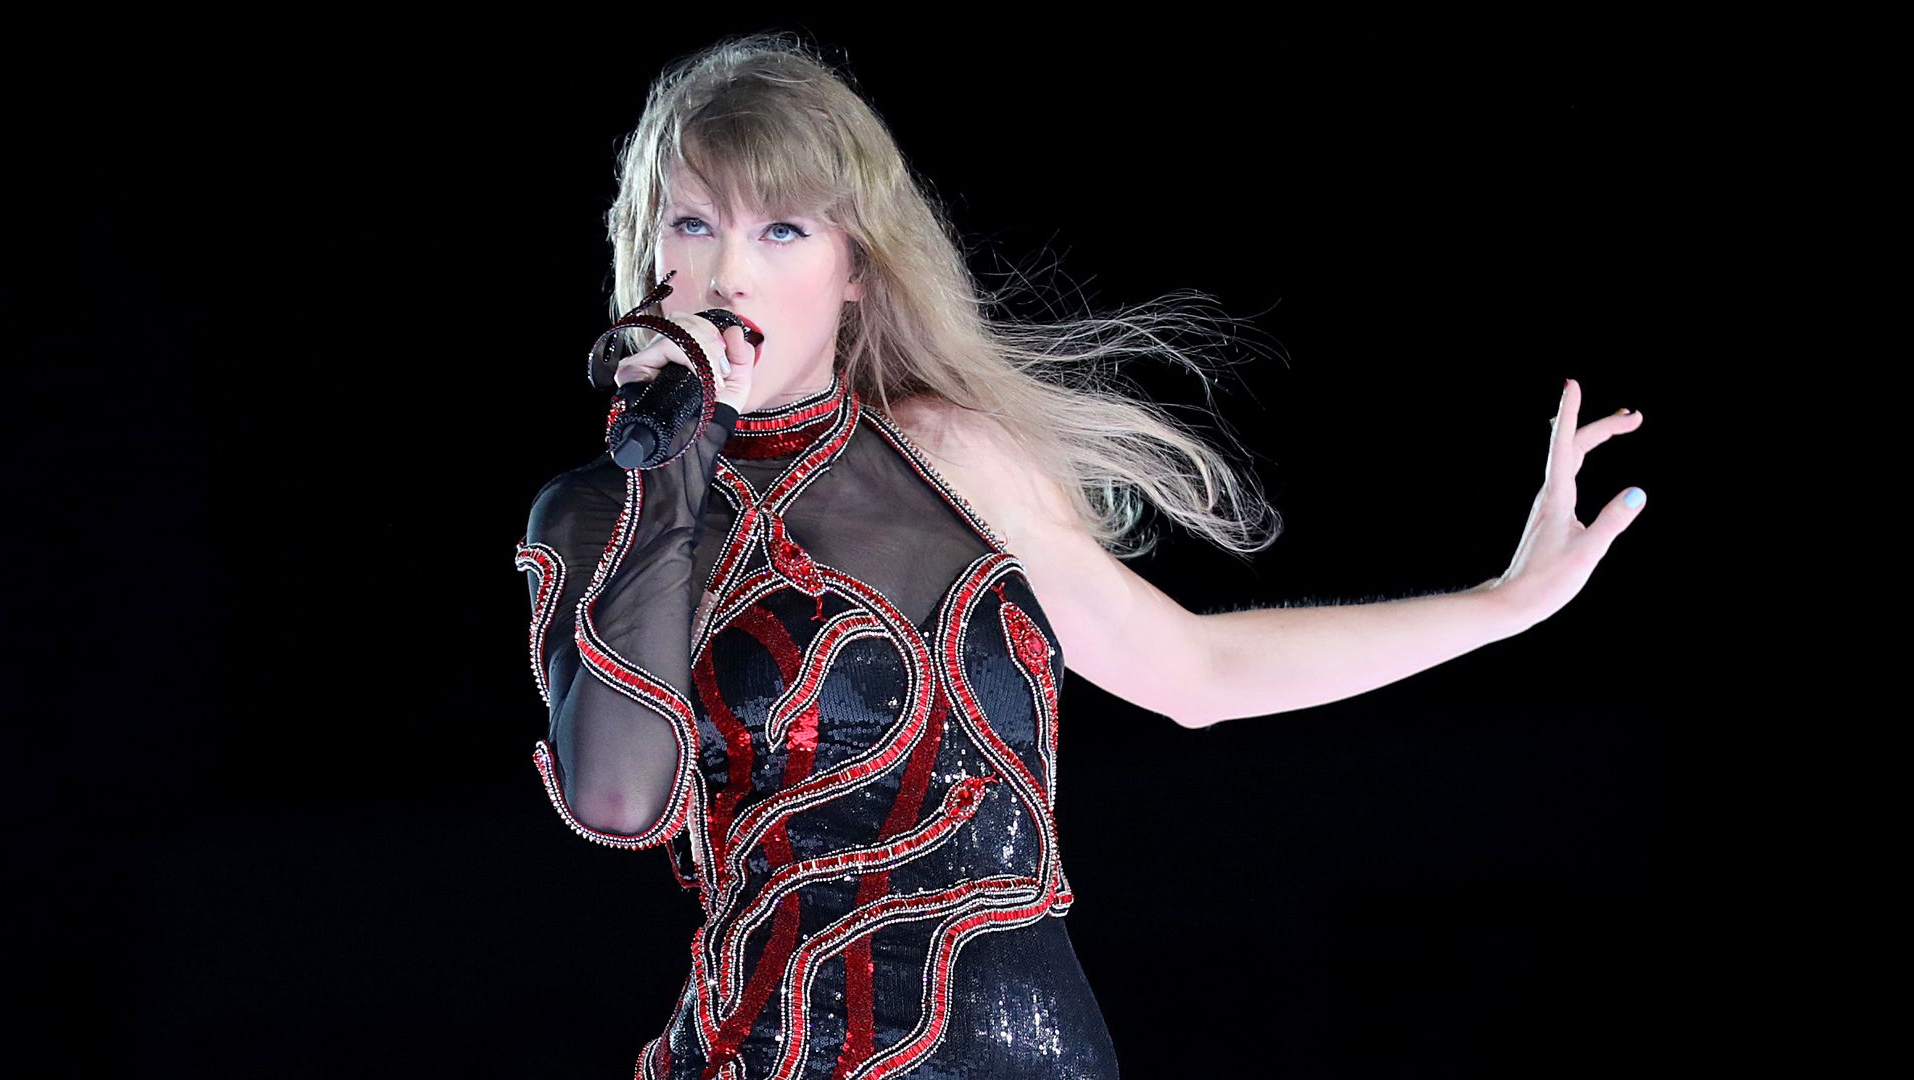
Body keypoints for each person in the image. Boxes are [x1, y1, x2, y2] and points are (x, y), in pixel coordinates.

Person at [515, 32, 1645, 1080]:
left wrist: (1505, 603)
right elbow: (620, 797)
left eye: (784, 230)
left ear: (856, 268)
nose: (730, 278)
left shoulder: (949, 458)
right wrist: (671, 465)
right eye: (694, 224)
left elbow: (1194, 674)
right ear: (648, 250)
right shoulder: (593, 514)